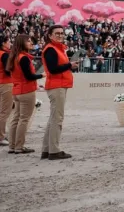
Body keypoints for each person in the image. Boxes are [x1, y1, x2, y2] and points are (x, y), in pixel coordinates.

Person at [41, 25, 78, 160]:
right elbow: (53, 69)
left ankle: (47, 149)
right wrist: (69, 65)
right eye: (57, 33)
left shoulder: (56, 48)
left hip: (58, 85)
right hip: (57, 86)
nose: (60, 35)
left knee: (53, 119)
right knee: (57, 119)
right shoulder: (51, 49)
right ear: (50, 35)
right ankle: (54, 150)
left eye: (62, 33)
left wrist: (69, 66)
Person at [7, 35, 43, 154]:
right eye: (28, 41)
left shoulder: (14, 57)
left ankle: (12, 146)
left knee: (16, 119)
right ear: (22, 43)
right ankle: (19, 146)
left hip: (17, 90)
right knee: (24, 119)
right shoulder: (24, 58)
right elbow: (29, 76)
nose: (31, 43)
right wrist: (42, 75)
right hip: (26, 91)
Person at [0, 35, 13, 146]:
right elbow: (8, 70)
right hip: (5, 83)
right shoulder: (4, 55)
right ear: (3, 43)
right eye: (9, 41)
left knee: (0, 111)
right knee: (4, 112)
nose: (10, 43)